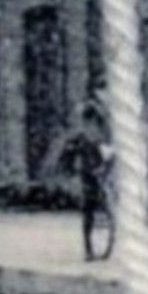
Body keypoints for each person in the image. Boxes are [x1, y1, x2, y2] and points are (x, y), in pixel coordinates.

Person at [57, 100, 112, 261]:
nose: (89, 125)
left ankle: (97, 246)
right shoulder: (81, 139)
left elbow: (108, 154)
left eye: (91, 122)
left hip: (99, 174)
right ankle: (89, 249)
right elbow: (68, 158)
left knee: (97, 210)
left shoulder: (96, 136)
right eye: (87, 122)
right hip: (90, 176)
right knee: (89, 211)